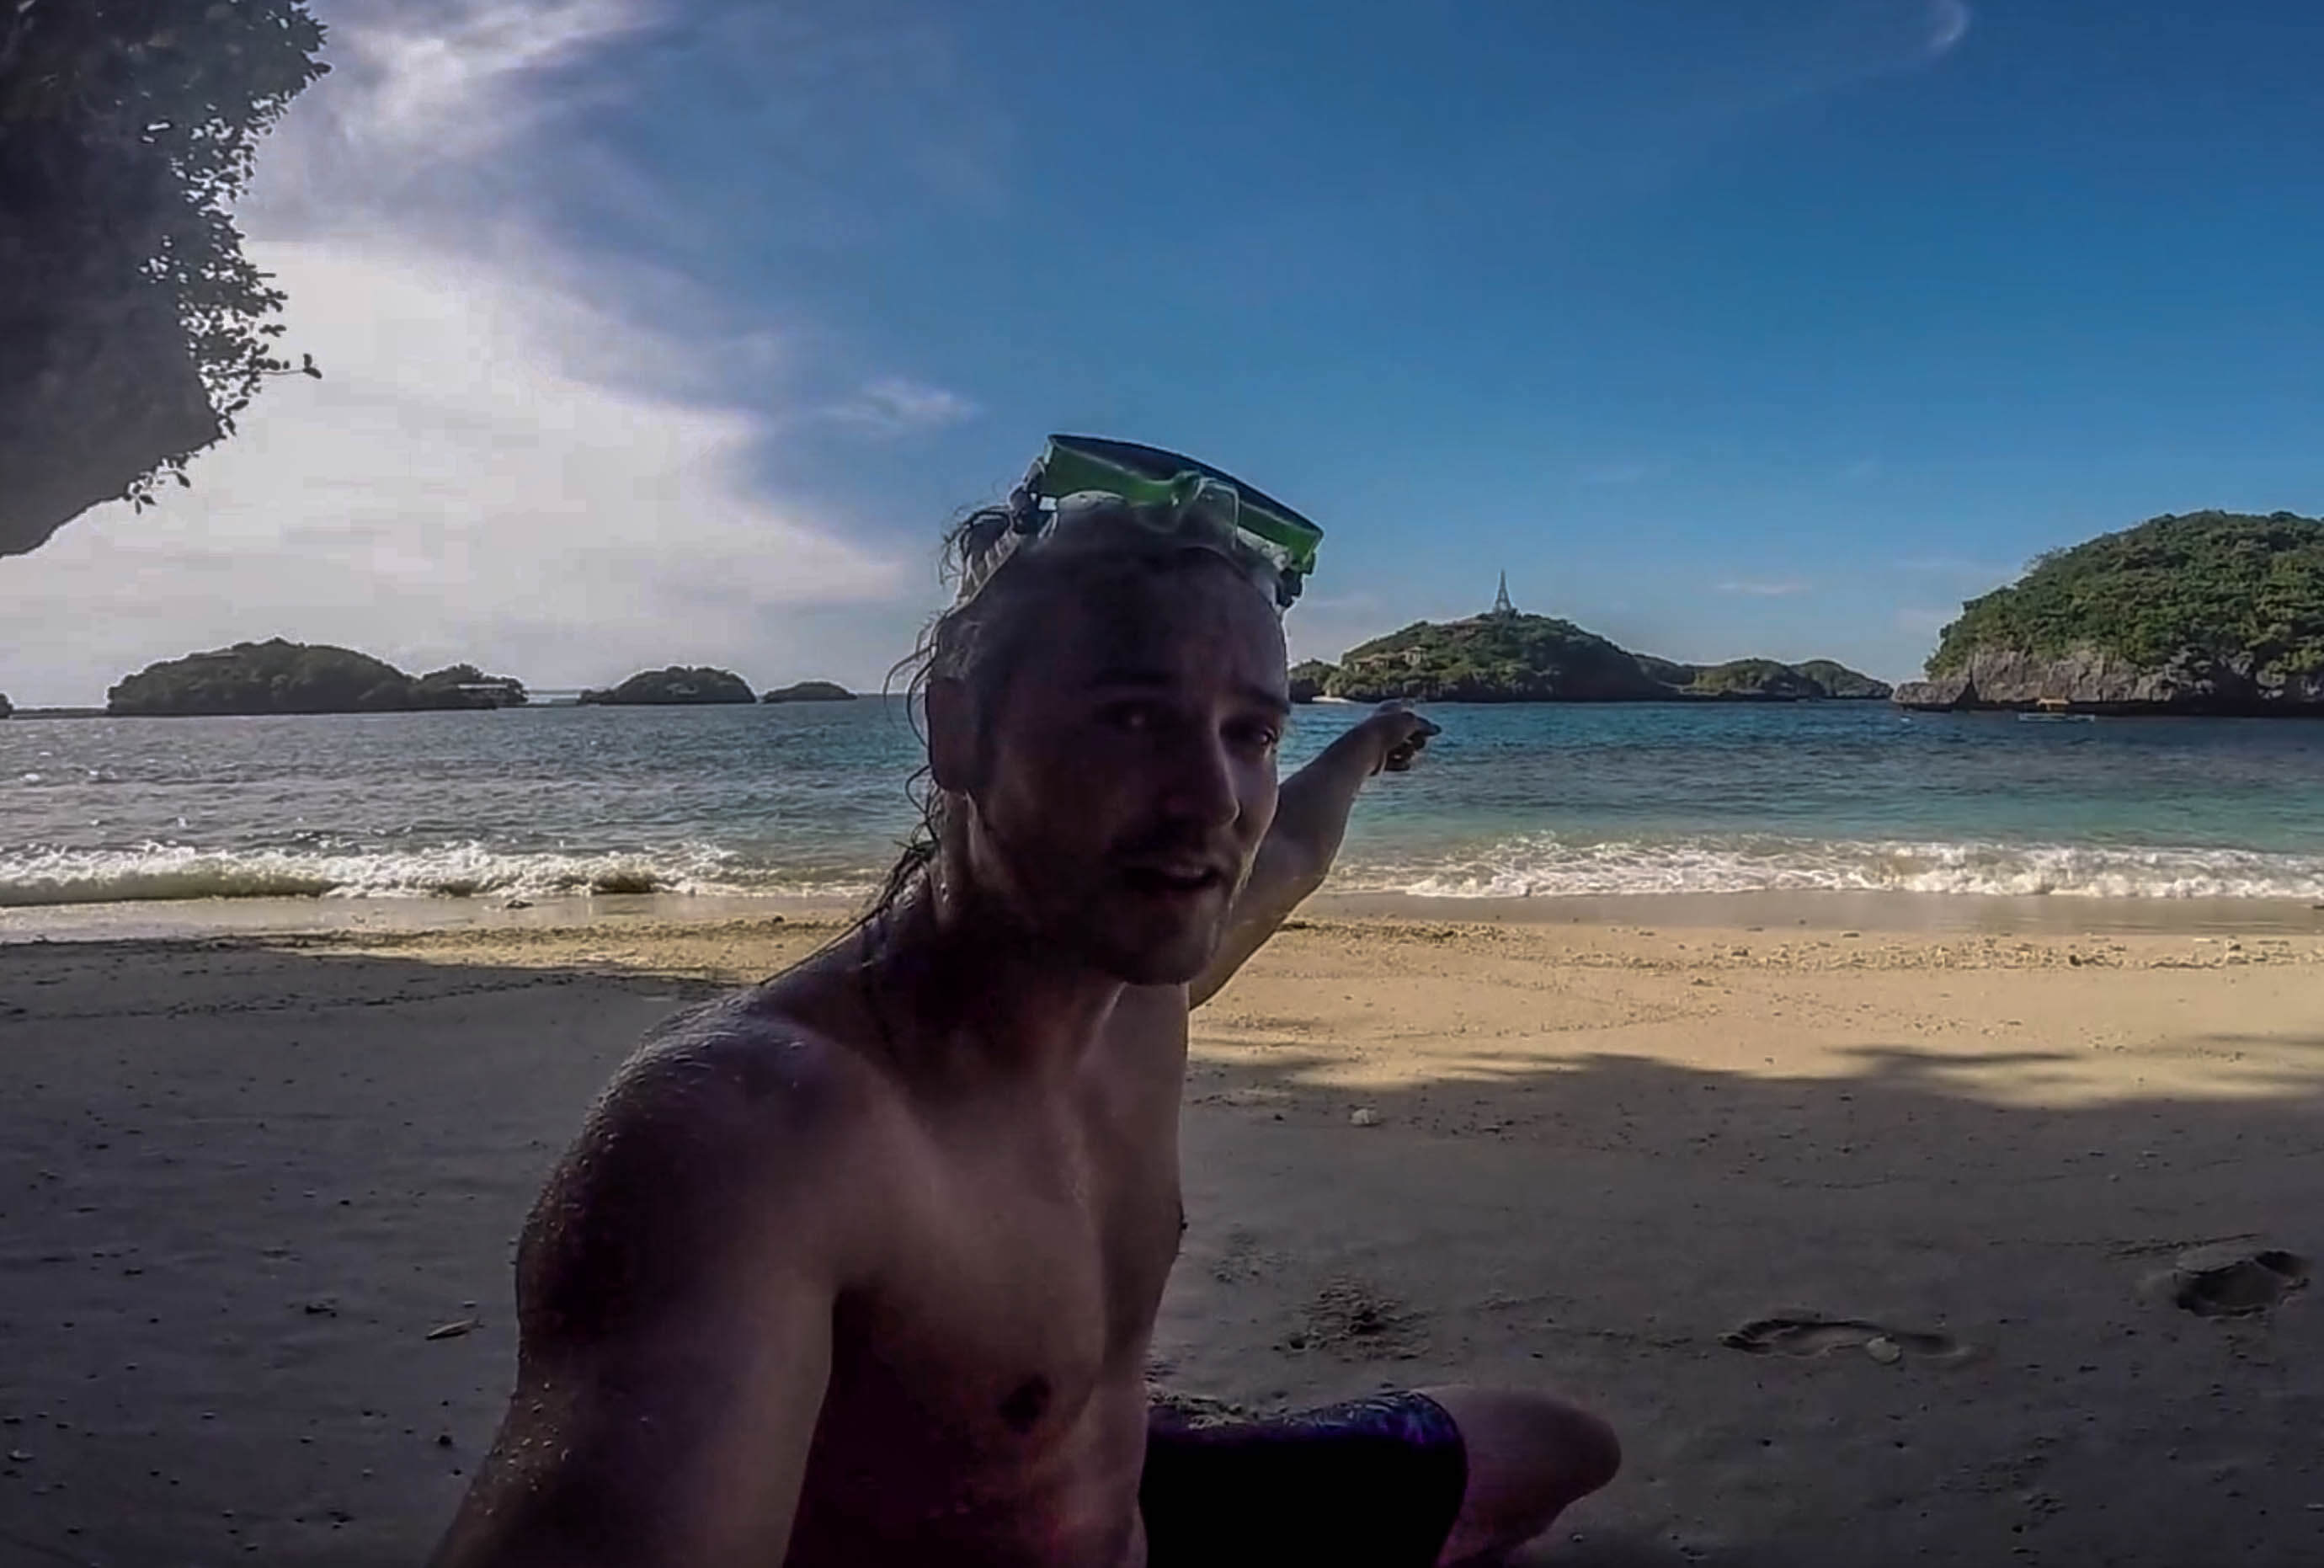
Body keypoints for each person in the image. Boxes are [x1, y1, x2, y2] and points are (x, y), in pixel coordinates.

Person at [431, 437, 1619, 1568]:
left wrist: (1361, 748)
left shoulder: (1135, 992)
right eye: (1134, 718)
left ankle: (1091, 1437)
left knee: (1558, 1445)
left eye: (1248, 730)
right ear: (960, 728)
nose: (1212, 796)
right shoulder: (752, 1136)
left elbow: (1287, 854)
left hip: (1116, 1504)